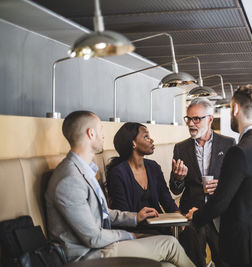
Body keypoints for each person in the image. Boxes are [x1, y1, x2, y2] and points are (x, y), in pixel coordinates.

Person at [45, 110, 194, 267]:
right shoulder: (69, 179)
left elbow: (103, 213)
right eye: (101, 130)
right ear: (91, 133)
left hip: (100, 245)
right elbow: (93, 238)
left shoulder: (84, 170)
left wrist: (135, 217)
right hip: (86, 255)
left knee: (168, 265)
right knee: (169, 243)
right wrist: (129, 235)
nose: (103, 136)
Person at [186, 84, 252, 267]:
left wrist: (197, 216)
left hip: (245, 249)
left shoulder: (239, 152)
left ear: (236, 109)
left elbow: (221, 202)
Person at [169, 97, 235, 267]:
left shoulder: (228, 144)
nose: (191, 123)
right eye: (188, 118)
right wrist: (178, 179)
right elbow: (175, 190)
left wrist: (222, 186)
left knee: (224, 262)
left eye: (196, 119)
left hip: (219, 216)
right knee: (193, 263)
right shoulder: (180, 148)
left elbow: (235, 182)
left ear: (210, 119)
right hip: (192, 217)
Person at [106, 122, 179, 215]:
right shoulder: (118, 173)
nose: (151, 140)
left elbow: (166, 199)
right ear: (133, 143)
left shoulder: (154, 167)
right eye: (146, 137)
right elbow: (122, 212)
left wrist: (177, 215)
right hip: (134, 227)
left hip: (158, 224)